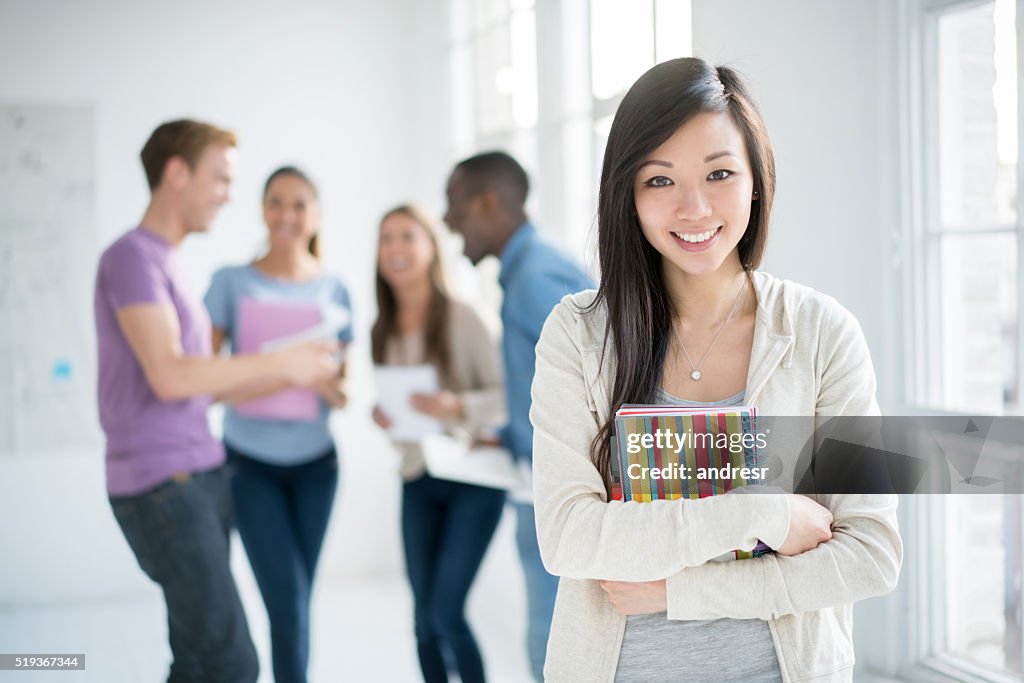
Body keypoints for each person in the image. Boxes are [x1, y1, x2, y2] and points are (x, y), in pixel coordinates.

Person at [529, 57, 902, 682]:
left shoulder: (821, 332)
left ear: (756, 181)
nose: (694, 208)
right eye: (659, 181)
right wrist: (761, 514)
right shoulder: (577, 333)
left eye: (720, 173)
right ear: (627, 193)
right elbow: (568, 537)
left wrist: (679, 592)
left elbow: (870, 555)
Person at [94, 120, 339, 683]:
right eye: (221, 178)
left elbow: (207, 382)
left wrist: (301, 371)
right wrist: (283, 364)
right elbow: (170, 376)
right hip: (163, 484)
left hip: (198, 476)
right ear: (177, 174)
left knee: (199, 656)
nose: (230, 194)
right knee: (231, 660)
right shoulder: (132, 258)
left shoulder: (168, 262)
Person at [443, 152, 594, 681]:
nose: (448, 221)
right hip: (538, 481)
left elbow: (601, 377)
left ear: (487, 204)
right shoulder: (527, 272)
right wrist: (508, 434)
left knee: (553, 648)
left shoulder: (533, 278)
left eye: (454, 205)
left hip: (556, 492)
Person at [203, 166, 352, 683]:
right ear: (262, 210)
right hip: (250, 467)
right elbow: (206, 384)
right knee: (287, 603)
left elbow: (342, 393)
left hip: (318, 468)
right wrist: (285, 368)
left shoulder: (335, 289)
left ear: (316, 215)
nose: (286, 216)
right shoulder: (230, 282)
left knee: (296, 603)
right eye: (276, 203)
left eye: (298, 205)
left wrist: (315, 378)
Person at [370, 204, 506, 683]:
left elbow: (510, 399)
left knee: (446, 614)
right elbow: (403, 409)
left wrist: (454, 406)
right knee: (423, 623)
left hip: (472, 480)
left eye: (408, 236)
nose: (396, 249)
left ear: (431, 247)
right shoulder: (380, 328)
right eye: (387, 239)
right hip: (418, 477)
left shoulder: (464, 317)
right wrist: (386, 417)